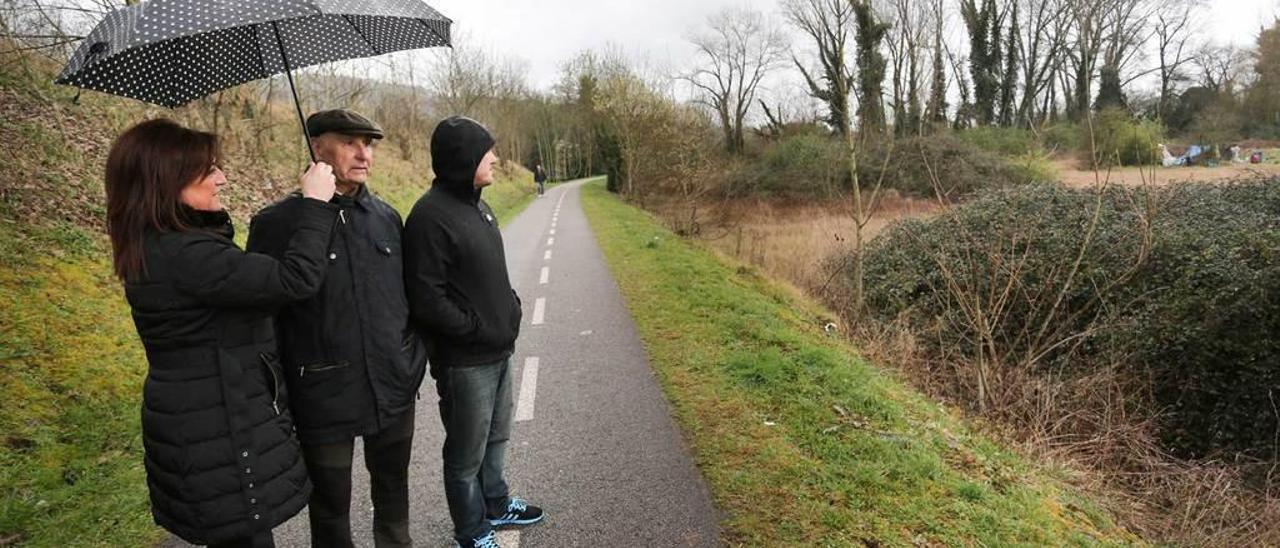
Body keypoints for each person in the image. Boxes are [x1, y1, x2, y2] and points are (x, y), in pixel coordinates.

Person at [105, 118, 338, 548]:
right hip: (217, 432)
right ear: (168, 182)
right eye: (208, 170)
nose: (221, 177)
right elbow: (296, 279)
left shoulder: (159, 244)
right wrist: (316, 203)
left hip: (197, 423)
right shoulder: (186, 255)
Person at [246, 110, 427, 548]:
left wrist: (410, 356)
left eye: (370, 143)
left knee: (393, 493)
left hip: (391, 385)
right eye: (350, 142)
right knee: (330, 509)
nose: (364, 153)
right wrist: (278, 393)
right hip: (322, 396)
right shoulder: (277, 224)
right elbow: (263, 319)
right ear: (317, 147)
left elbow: (405, 298)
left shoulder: (386, 217)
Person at [403, 116, 545, 548]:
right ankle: (472, 530)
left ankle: (497, 504)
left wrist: (513, 307)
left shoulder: (479, 206)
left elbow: (489, 276)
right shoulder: (429, 217)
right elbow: (426, 298)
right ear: (464, 158)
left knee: (498, 437)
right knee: (466, 455)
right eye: (488, 152)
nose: (496, 159)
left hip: (498, 350)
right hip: (465, 362)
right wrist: (476, 330)